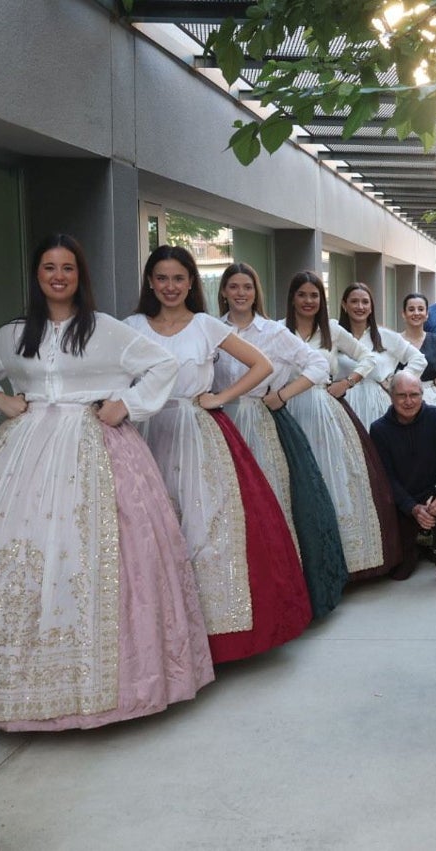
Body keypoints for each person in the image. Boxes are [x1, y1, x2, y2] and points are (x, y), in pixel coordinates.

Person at [0, 234, 213, 730]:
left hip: (96, 448)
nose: (58, 276)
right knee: (16, 555)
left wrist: (125, 405)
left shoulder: (104, 330)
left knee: (92, 556)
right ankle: (8, 685)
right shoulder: (15, 333)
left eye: (67, 268)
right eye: (48, 268)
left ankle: (105, 687)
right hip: (22, 456)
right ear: (37, 276)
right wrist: (1, 401)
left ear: (80, 276)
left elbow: (161, 364)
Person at [128, 247, 313, 663]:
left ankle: (214, 634)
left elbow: (261, 364)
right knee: (151, 527)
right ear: (150, 283)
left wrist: (221, 398)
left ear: (192, 282)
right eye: (162, 278)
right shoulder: (133, 327)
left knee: (204, 525)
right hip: (147, 431)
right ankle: (160, 632)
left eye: (178, 278)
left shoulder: (206, 325)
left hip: (197, 432)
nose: (170, 286)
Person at [214, 262, 348, 620]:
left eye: (248, 287)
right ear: (224, 291)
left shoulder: (273, 332)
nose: (241, 293)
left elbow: (318, 365)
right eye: (234, 287)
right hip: (221, 423)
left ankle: (280, 591)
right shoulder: (209, 328)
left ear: (256, 292)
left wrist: (285, 393)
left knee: (272, 501)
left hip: (260, 420)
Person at [285, 270, 401, 580]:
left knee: (333, 477)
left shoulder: (332, 330)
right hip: (288, 410)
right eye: (302, 295)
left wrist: (347, 382)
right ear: (292, 298)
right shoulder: (279, 330)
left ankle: (346, 563)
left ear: (322, 300)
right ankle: (304, 564)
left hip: (324, 409)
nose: (308, 301)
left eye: (314, 295)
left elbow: (369, 358)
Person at [370, 373, 436, 587]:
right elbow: (386, 478)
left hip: (432, 491)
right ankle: (414, 551)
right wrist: (411, 507)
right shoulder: (379, 429)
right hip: (401, 498)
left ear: (422, 395)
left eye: (414, 394)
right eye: (401, 395)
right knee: (400, 572)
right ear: (390, 395)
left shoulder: (435, 416)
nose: (408, 401)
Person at [336, 282, 427, 427]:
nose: (360, 306)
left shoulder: (385, 336)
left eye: (365, 302)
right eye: (354, 301)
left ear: (371, 307)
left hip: (377, 405)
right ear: (344, 305)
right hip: (342, 405)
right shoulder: (335, 335)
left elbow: (419, 359)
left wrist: (398, 382)